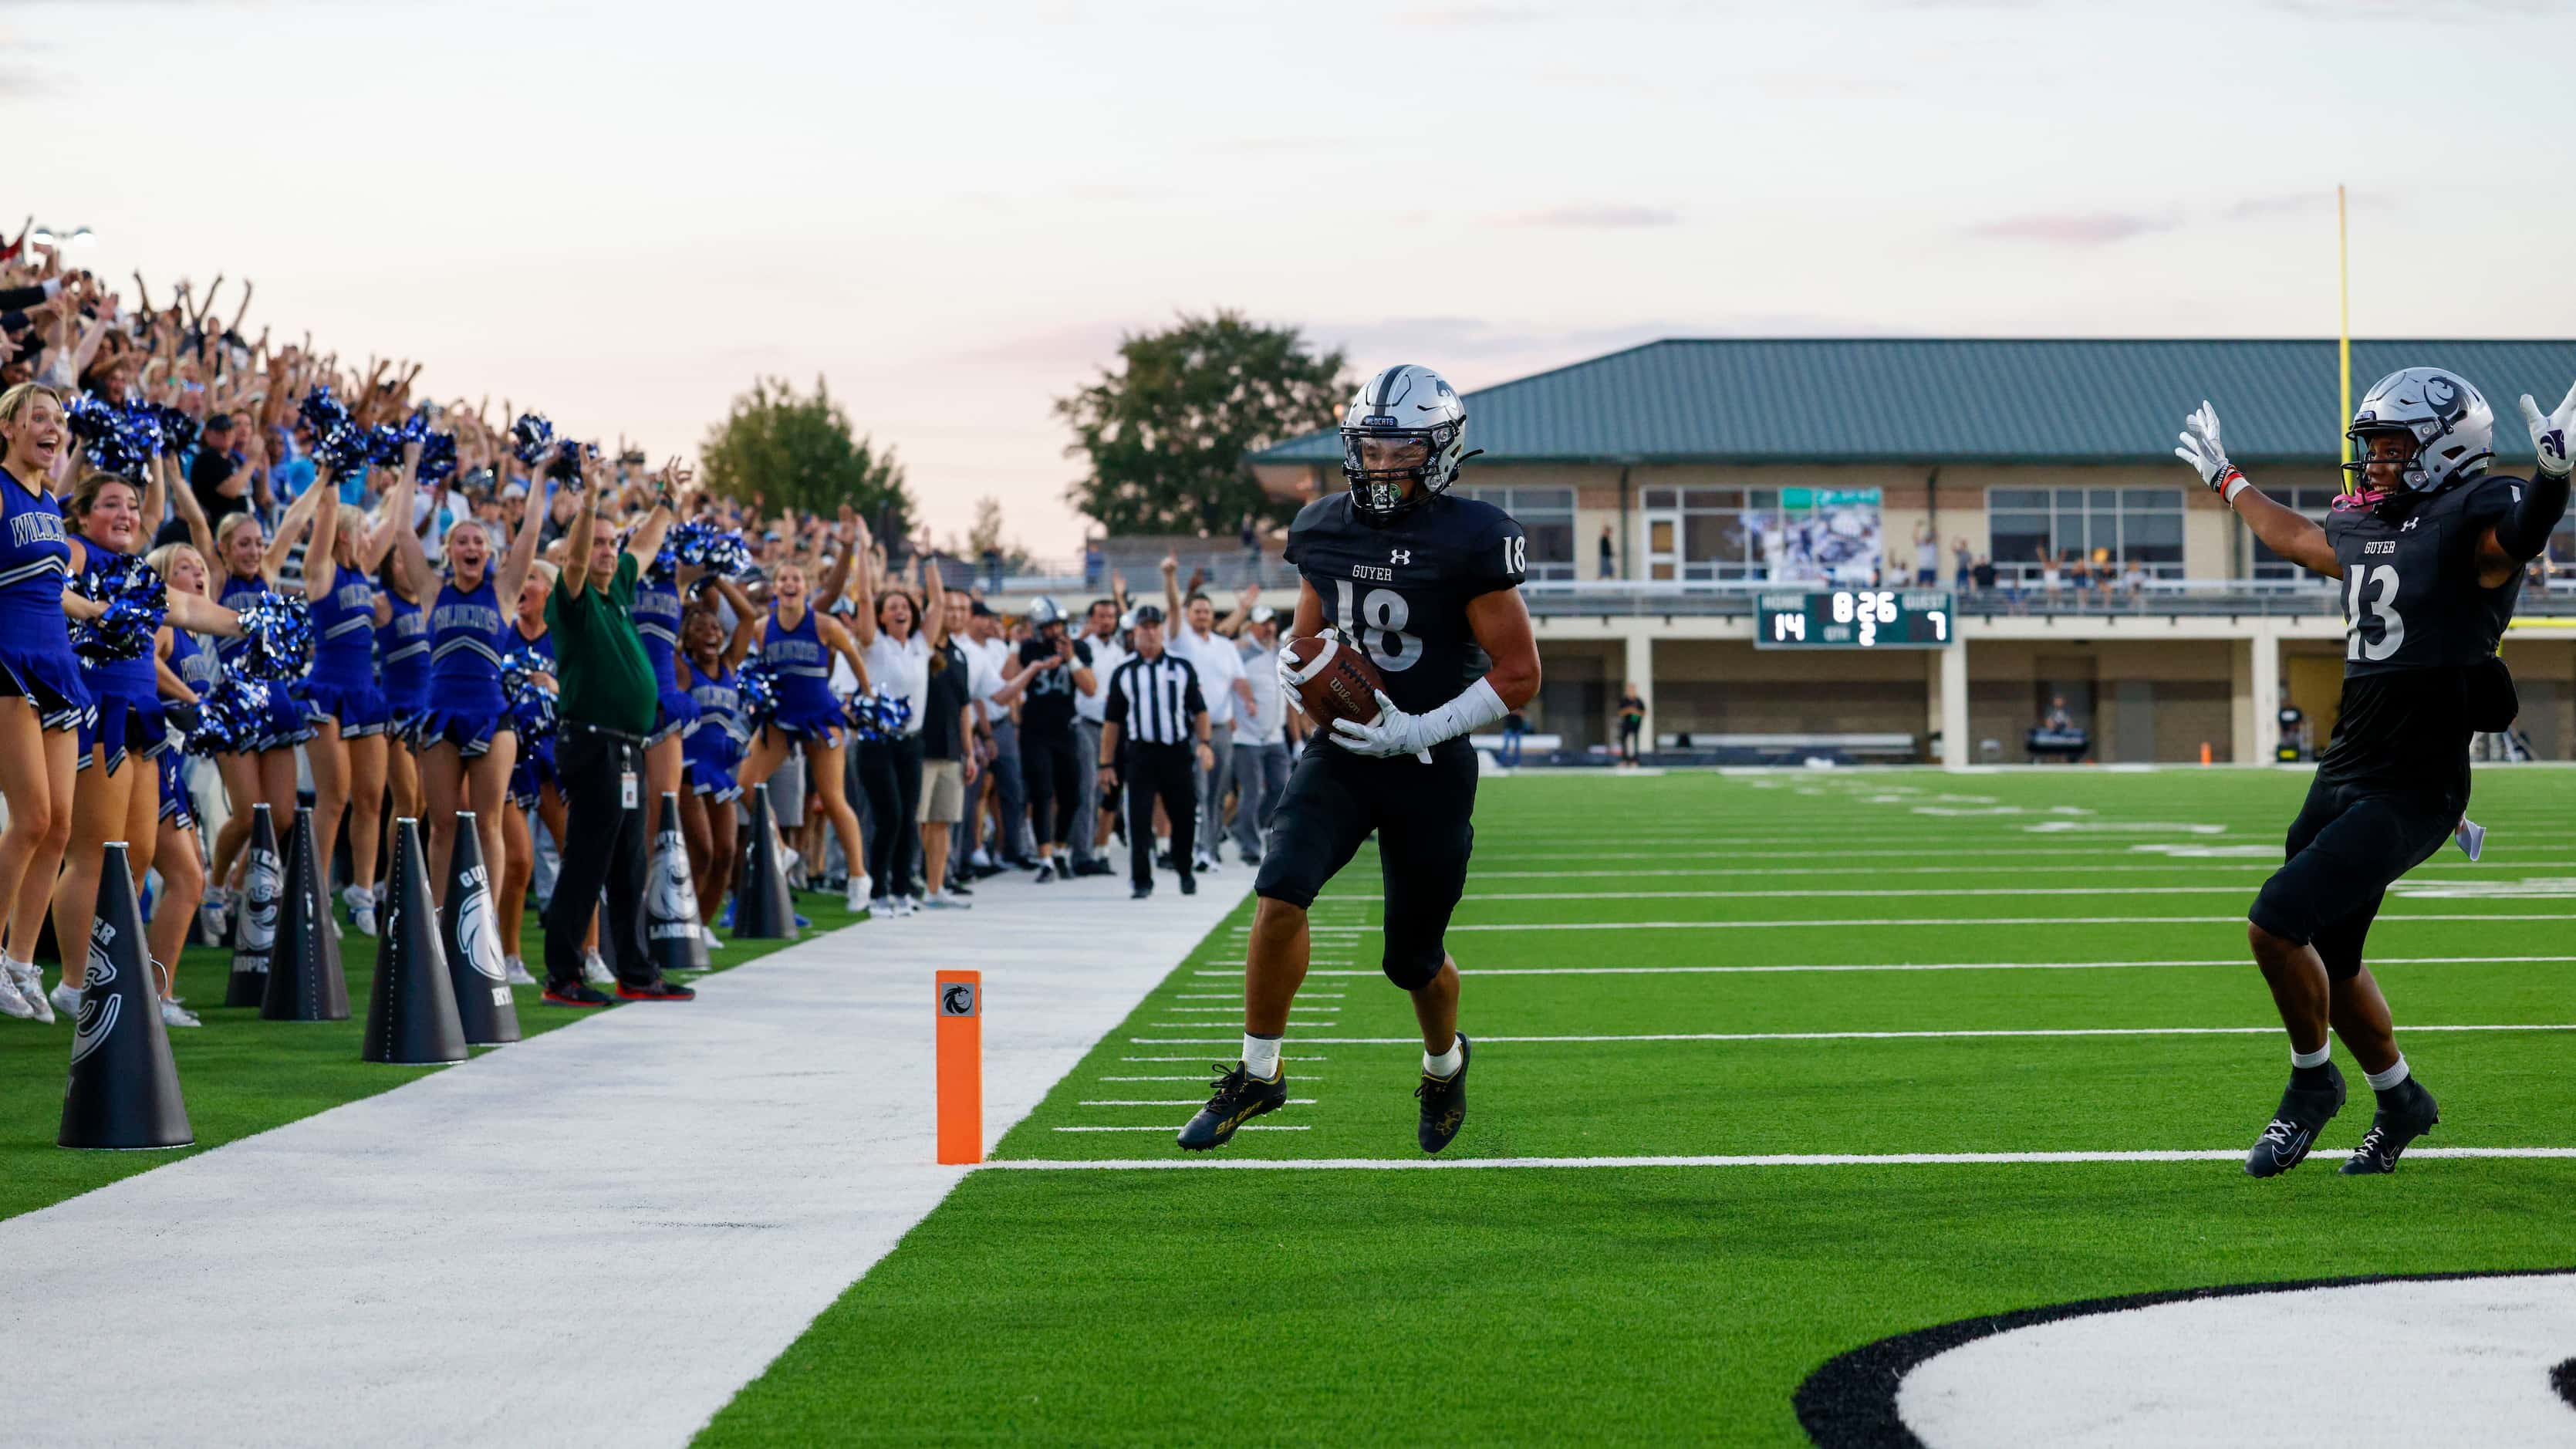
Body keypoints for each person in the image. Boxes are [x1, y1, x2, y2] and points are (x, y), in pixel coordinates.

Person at [2174, 370, 2574, 1176]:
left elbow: (2522, 536)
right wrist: (2228, 479)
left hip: (2416, 785)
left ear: (2446, 446)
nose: (2379, 462)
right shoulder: (2367, 523)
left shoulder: (2475, 518)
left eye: (2395, 446)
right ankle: (2401, 1100)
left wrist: (2554, 479)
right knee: (2336, 953)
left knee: (2275, 921)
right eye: (2376, 447)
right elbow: (2292, 538)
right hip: (2346, 767)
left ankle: (2313, 1084)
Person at [1179, 363, 1539, 1156]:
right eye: (1370, 450)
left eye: (1399, 451)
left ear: (1440, 453)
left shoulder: (1471, 535)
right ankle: (1259, 1072)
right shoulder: (1322, 526)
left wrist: (1419, 730)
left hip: (1430, 762)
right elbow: (1310, 635)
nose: (1381, 465)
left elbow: (1521, 676)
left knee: (1411, 961)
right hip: (1342, 750)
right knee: (1280, 893)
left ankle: (1444, 1064)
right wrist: (1294, 663)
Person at [46, 456, 240, 1026]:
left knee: (135, 859)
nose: (126, 514)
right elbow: (50, 578)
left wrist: (249, 624)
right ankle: (74, 982)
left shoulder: (141, 575)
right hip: (98, 713)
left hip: (144, 719)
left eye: (132, 506)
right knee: (92, 856)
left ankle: (118, 975)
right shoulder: (79, 551)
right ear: (80, 516)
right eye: (110, 504)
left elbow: (187, 609)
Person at [542, 455, 694, 1004]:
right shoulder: (574, 598)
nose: (607, 550)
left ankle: (635, 969)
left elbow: (645, 546)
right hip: (592, 742)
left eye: (611, 542)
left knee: (630, 860)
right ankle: (562, 974)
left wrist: (668, 502)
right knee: (588, 859)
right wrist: (588, 503)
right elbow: (577, 563)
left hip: (628, 747)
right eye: (598, 543)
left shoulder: (620, 591)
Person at [387, 441, 547, 931]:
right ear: (449, 551)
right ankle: (438, 923)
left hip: (492, 716)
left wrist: (539, 470)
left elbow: (532, 532)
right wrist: (411, 464)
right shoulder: (432, 591)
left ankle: (485, 926)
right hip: (440, 715)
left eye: (479, 542)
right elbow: (400, 531)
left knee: (488, 825)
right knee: (441, 827)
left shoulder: (503, 592)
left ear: (490, 552)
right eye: (463, 542)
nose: (472, 548)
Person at [0, 384, 103, 1019]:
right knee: (33, 817)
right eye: (38, 416)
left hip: (57, 665)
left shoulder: (48, 503)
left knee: (61, 824)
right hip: (7, 661)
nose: (52, 428)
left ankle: (20, 963)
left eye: (59, 420)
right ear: (7, 426)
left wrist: (93, 609)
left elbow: (46, 583)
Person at [301, 449, 407, 937]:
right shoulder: (323, 572)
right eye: (362, 530)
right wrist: (336, 473)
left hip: (365, 691)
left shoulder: (364, 572)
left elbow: (393, 522)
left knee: (371, 798)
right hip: (327, 689)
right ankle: (317, 892)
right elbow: (325, 520)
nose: (371, 537)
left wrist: (406, 471)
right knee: (335, 797)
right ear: (345, 533)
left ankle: (362, 892)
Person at [739, 553, 871, 914]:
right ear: (776, 588)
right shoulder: (763, 628)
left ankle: (859, 877)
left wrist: (866, 695)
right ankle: (782, 850)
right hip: (780, 719)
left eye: (796, 579)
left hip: (821, 719)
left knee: (832, 798)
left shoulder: (825, 624)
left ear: (806, 588)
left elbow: (853, 655)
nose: (790, 585)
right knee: (746, 783)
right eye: (783, 579)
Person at [846, 519, 945, 914]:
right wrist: (863, 551)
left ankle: (903, 891)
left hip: (911, 741)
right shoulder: (874, 645)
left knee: (909, 819)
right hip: (876, 742)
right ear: (884, 617)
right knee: (890, 816)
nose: (900, 610)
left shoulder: (921, 645)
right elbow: (865, 598)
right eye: (893, 607)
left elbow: (937, 603)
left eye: (905, 606)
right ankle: (878, 891)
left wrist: (929, 557)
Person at [1097, 605, 1210, 900]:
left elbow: (1199, 710)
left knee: (1184, 815)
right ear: (1134, 631)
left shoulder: (1181, 667)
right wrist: (1106, 762)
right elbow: (1112, 722)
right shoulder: (1123, 672)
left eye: (1154, 626)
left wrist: (1205, 743)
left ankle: (1184, 869)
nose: (1149, 631)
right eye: (1144, 626)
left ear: (1162, 629)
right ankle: (1141, 880)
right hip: (1140, 754)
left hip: (1176, 752)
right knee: (1138, 818)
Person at [1162, 556, 1251, 873]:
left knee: (1217, 793)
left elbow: (1238, 682)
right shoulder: (1180, 639)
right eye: (1197, 611)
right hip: (1189, 728)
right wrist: (1170, 577)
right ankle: (1193, 850)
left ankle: (1209, 851)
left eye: (1207, 611)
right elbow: (1172, 607)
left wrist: (1247, 705)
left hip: (1221, 729)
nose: (1202, 615)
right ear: (1189, 615)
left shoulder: (1223, 646)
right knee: (1195, 791)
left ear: (1213, 616)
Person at [678, 584, 758, 932]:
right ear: (689, 640)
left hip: (720, 772)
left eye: (714, 628)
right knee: (703, 853)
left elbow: (749, 616)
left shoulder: (729, 663)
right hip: (687, 770)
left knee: (727, 853)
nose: (710, 633)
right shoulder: (680, 670)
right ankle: (680, 925)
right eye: (700, 629)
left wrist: (719, 579)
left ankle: (702, 928)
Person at [1001, 596, 1093, 881]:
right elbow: (1007, 679)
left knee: (1072, 796)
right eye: (1049, 626)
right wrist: (1015, 646)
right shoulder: (1029, 649)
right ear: (1039, 628)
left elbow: (1090, 688)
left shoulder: (1078, 648)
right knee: (1041, 793)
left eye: (1059, 625)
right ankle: (1045, 859)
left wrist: (1072, 659)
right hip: (1035, 731)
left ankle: (1061, 849)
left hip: (1066, 730)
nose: (1055, 632)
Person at [915, 585, 980, 908]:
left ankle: (935, 887)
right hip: (920, 748)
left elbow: (964, 708)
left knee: (941, 821)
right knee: (916, 820)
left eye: (960, 610)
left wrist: (968, 753)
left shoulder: (960, 655)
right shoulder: (918, 649)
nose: (954, 615)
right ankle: (906, 882)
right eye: (948, 608)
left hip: (951, 750)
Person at [1069, 593, 1126, 876]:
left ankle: (1098, 850)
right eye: (1101, 616)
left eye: (1111, 616)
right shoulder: (1081, 646)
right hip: (1087, 724)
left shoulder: (1118, 651)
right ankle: (1081, 855)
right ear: (1092, 619)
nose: (1107, 621)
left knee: (1109, 793)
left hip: (1113, 729)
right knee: (1087, 789)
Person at [1229, 603, 1289, 865]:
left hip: (1275, 735)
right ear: (1251, 625)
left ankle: (1246, 828)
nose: (1269, 627)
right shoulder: (1240, 653)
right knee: (1251, 792)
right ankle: (1250, 848)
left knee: (1281, 788)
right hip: (1247, 737)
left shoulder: (1277, 652)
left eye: (1271, 622)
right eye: (1263, 622)